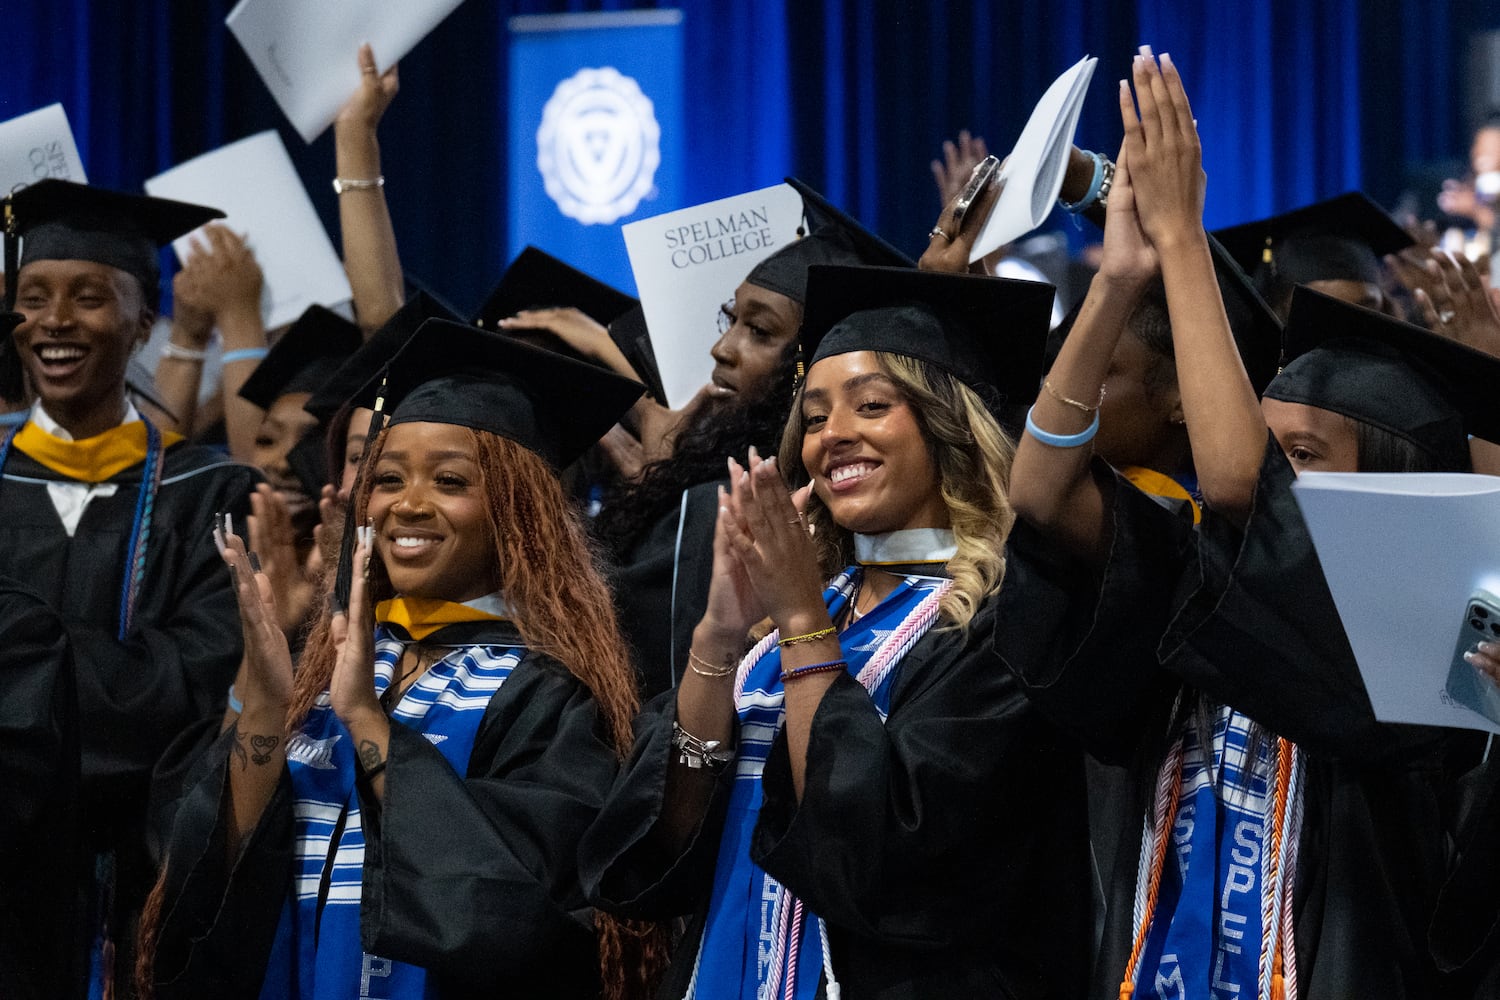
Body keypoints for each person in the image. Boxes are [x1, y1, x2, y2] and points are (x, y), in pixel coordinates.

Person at [1001, 50, 1489, 999]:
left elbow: (1237, 485)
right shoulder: (1205, 574)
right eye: (1273, 447)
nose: (1273, 468)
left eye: (1301, 453)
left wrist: (1184, 238)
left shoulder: (1428, 643)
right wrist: (1118, 280)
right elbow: (1042, 492)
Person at [581, 263, 1092, 998]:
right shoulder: (785, 626)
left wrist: (801, 624)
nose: (834, 436)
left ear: (949, 425)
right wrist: (719, 637)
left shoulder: (1002, 620)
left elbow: (884, 857)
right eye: (815, 418)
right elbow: (664, 845)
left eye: (872, 406)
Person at [141, 319, 662, 999]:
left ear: (517, 510)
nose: (408, 505)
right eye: (387, 479)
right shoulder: (335, 666)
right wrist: (264, 708)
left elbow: (513, 910)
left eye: (449, 480)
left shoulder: (546, 694)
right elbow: (208, 875)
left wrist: (368, 722)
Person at [1, 178, 261, 996]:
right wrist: (117, 674)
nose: (55, 320)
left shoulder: (210, 494)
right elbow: (153, 678)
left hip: (142, 872)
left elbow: (195, 687)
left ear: (143, 321)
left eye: (88, 297)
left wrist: (22, 677)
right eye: (32, 298)